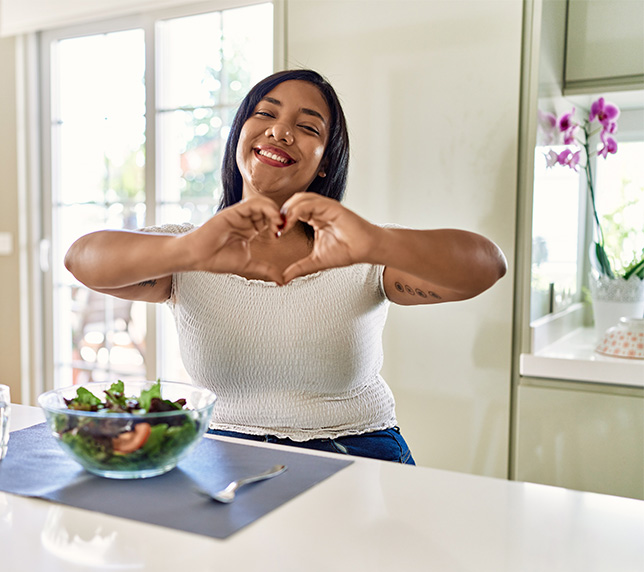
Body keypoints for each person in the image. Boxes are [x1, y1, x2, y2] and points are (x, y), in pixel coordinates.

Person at [64, 69, 507, 464]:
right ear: (240, 133)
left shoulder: (360, 249)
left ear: (325, 163)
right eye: (265, 114)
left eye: (307, 126)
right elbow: (81, 259)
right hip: (227, 453)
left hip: (358, 452)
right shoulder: (188, 247)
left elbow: (487, 266)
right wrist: (189, 250)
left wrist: (375, 241)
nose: (280, 131)